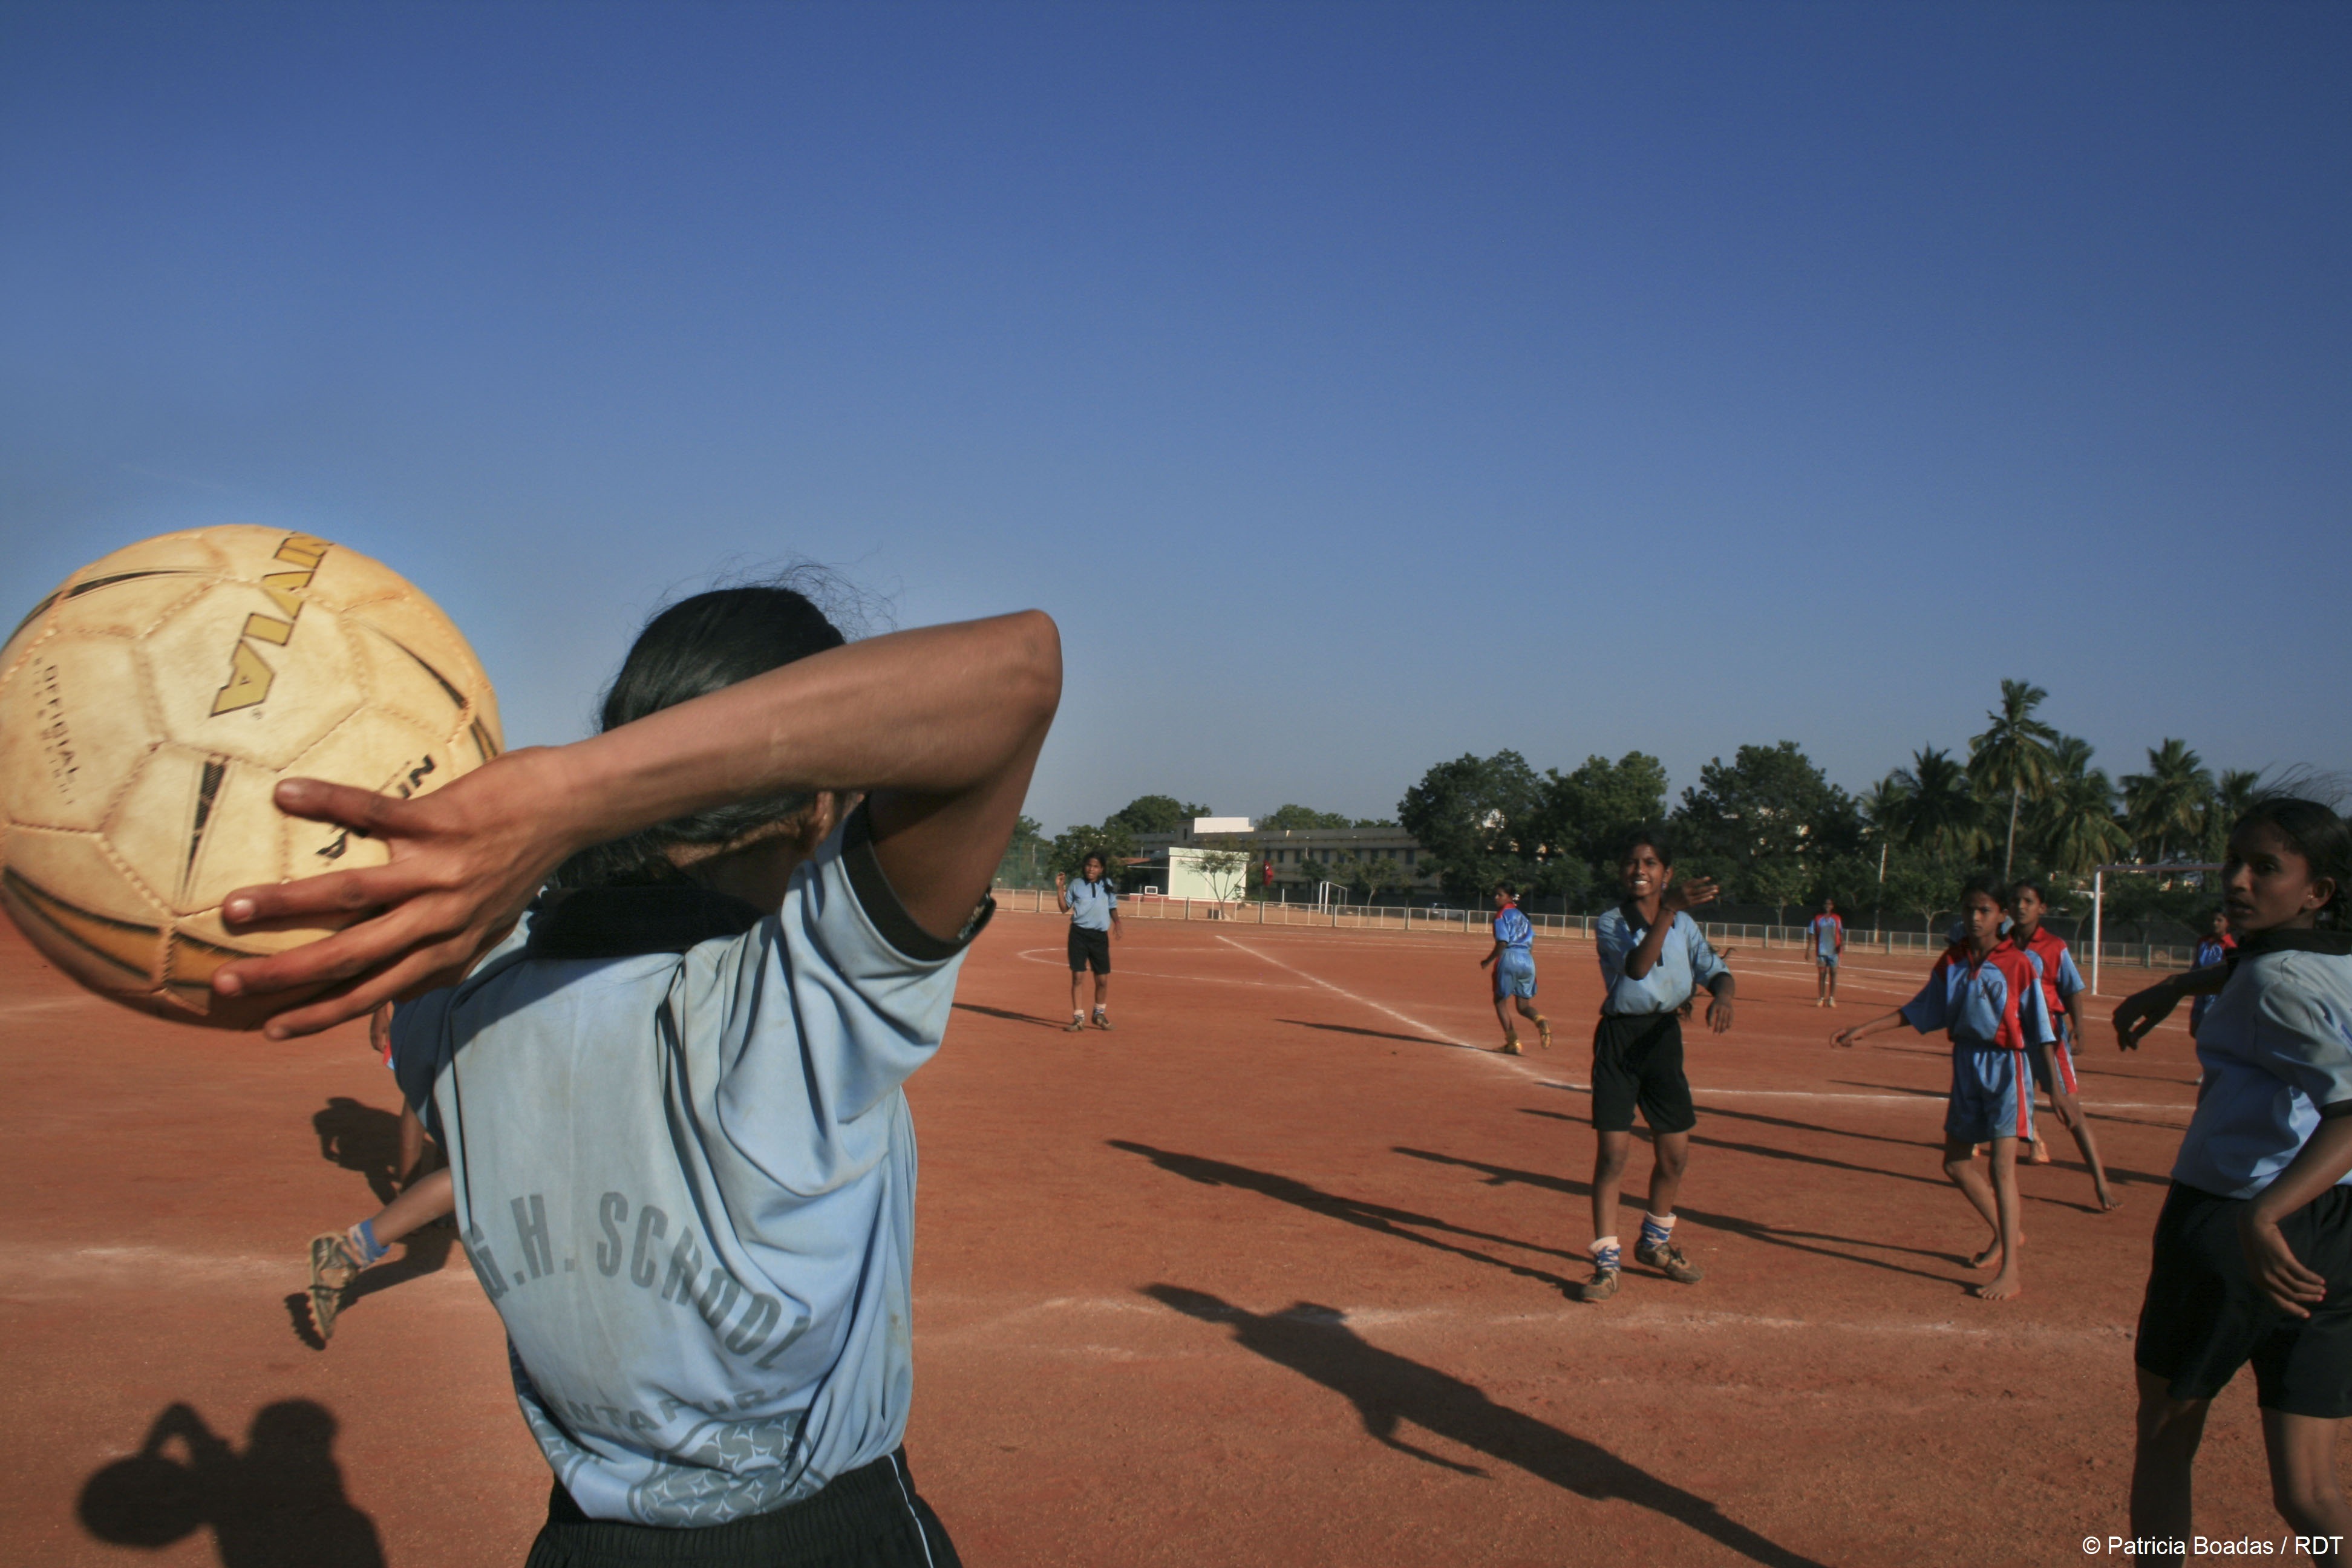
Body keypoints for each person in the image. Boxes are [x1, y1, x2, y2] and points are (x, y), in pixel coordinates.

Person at [210, 583, 1060, 1566]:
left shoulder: (461, 1000)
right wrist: (572, 794)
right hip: (830, 1539)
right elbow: (1017, 673)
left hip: (583, 1543)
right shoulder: (788, 1007)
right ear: (821, 803)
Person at [2109, 798, 2352, 1559]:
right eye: (2234, 862)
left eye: (2265, 868)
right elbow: (2264, 968)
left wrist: (2262, 1215)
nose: (2238, 880)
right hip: (2336, 1230)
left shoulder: (2272, 981)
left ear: (2318, 891)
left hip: (2234, 1222)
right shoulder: (2333, 959)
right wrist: (2181, 986)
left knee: (2166, 1435)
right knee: (2309, 1490)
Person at [1834, 874, 2055, 1301]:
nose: (1975, 917)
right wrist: (1866, 1028)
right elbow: (1922, 1008)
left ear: (2002, 915)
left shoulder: (2018, 964)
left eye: (1985, 910)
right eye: (1969, 909)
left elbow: (2041, 1029)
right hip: (1966, 1064)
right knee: (1955, 1163)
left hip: (2007, 1067)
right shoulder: (1952, 961)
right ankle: (2009, 1233)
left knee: (2001, 1168)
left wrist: (2055, 1088)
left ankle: (2011, 1270)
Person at [1578, 829, 1735, 1304]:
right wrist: (1669, 911)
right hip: (1620, 1041)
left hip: (1663, 1040)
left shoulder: (1684, 925)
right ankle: (1607, 1262)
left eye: (1650, 863)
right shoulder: (1612, 922)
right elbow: (1638, 968)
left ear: (1667, 873)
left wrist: (1723, 995)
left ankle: (1654, 1243)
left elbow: (1715, 969)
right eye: (1632, 862)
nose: (1639, 870)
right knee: (1614, 1155)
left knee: (1674, 1155)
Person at [307, 1001, 459, 1340]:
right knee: (477, 1158)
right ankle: (351, 1250)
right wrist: (380, 1010)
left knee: (471, 1145)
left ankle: (351, 1250)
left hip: (465, 1015)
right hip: (446, 1015)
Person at [2005, 877, 2118, 1206]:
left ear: (2042, 908)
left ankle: (2101, 1183)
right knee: (2009, 1102)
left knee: (2069, 1110)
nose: (2021, 907)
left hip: (2049, 1036)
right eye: (2015, 901)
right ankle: (2028, 1151)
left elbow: (2071, 989)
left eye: (2028, 901)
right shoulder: (2001, 944)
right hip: (2012, 1036)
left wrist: (2078, 1025)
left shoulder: (2054, 947)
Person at [1477, 883, 1550, 1056]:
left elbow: (1502, 943)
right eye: (1495, 895)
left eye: (1500, 895)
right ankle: (1540, 1020)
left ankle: (1512, 1042)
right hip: (1528, 959)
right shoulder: (1523, 916)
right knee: (1523, 1006)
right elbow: (1531, 941)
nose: (1496, 898)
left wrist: (1488, 960)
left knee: (1500, 1001)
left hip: (1510, 957)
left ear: (1510, 897)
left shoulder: (1501, 915)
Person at [1055, 851, 1120, 1031]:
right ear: (1084, 867)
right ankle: (1078, 1018)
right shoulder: (1076, 884)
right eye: (1089, 865)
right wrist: (1060, 888)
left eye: (1096, 866)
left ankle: (1099, 1014)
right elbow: (1064, 908)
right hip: (1079, 935)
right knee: (1078, 977)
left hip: (1099, 937)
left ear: (1102, 869)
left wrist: (1117, 923)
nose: (1091, 869)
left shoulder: (1107, 884)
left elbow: (1112, 906)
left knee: (1102, 980)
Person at [2189, 909, 2236, 1040]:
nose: (2215, 923)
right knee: (2194, 1030)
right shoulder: (2203, 941)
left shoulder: (2230, 946)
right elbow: (2197, 964)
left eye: (2219, 920)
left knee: (2208, 1030)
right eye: (2213, 920)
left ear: (2228, 923)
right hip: (2200, 989)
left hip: (2216, 992)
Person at [1807, 898, 1844, 1008]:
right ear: (1823, 905)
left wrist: (1842, 944)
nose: (1828, 906)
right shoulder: (1817, 919)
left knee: (1833, 973)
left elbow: (1841, 932)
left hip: (1834, 951)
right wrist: (1808, 949)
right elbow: (1811, 933)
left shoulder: (1837, 919)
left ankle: (1831, 998)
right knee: (1822, 974)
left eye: (1830, 904)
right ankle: (1821, 998)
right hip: (1822, 951)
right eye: (1826, 904)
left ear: (1833, 906)